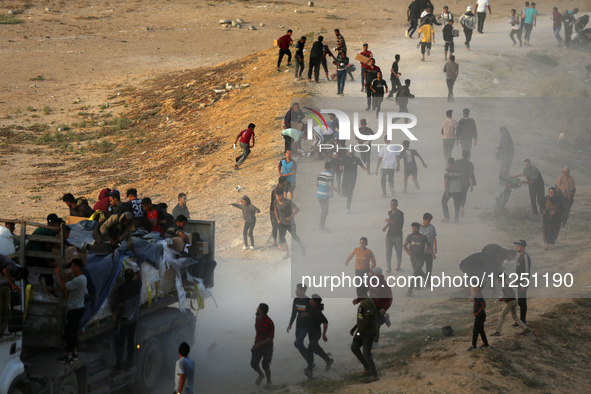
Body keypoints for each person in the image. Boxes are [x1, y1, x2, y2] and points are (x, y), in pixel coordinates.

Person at [55, 258, 87, 363]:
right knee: (73, 332)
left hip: (74, 309)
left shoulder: (78, 280)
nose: (71, 268)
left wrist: (57, 273)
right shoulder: (82, 278)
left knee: (69, 333)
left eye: (73, 266)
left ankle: (69, 356)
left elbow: (63, 286)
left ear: (77, 267)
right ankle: (75, 353)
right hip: (79, 308)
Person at [114, 268, 141, 371]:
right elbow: (139, 276)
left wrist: (113, 309)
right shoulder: (137, 284)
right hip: (134, 318)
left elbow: (120, 304)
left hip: (125, 320)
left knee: (120, 343)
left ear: (124, 277)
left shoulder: (123, 288)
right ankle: (130, 362)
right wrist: (137, 272)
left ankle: (118, 366)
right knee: (131, 340)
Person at [350, 287, 379, 383]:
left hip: (368, 332)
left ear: (363, 291)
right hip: (362, 330)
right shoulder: (362, 302)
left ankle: (374, 375)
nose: (357, 292)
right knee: (354, 347)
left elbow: (369, 319)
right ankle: (367, 368)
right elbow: (362, 317)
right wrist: (355, 328)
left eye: (358, 290)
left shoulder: (367, 302)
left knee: (367, 353)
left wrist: (359, 332)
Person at [490, 271, 530, 336]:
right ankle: (525, 328)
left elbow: (508, 295)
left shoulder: (504, 285)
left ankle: (497, 331)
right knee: (515, 317)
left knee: (502, 315)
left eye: (498, 278)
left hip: (510, 302)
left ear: (500, 278)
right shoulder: (506, 284)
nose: (497, 280)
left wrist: (502, 299)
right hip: (514, 301)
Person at [304, 294, 334, 378]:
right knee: (316, 349)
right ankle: (328, 360)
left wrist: (324, 334)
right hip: (311, 333)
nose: (310, 300)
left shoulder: (317, 311)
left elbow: (325, 322)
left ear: (315, 302)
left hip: (316, 333)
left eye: (311, 299)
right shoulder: (312, 309)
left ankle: (309, 369)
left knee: (310, 350)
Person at [404, 222, 435, 296]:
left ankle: (409, 291)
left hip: (421, 258)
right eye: (412, 228)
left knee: (415, 273)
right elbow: (404, 245)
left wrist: (432, 254)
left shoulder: (423, 237)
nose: (413, 230)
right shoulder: (409, 236)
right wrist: (408, 252)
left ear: (418, 229)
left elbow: (429, 245)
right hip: (412, 258)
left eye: (415, 228)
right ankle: (426, 279)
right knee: (417, 271)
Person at [274, 193, 305, 259]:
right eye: (277, 196)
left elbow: (297, 209)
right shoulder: (275, 201)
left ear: (282, 195)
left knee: (294, 236)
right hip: (282, 223)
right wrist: (278, 219)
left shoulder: (288, 202)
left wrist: (291, 217)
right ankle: (288, 252)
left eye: (279, 196)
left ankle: (302, 247)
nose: (278, 197)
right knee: (282, 238)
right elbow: (275, 209)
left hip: (290, 223)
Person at [287, 284, 311, 368]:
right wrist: (290, 324)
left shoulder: (308, 301)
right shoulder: (296, 300)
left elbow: (313, 313)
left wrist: (307, 314)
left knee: (297, 343)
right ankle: (310, 363)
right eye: (296, 289)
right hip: (298, 326)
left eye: (298, 290)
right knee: (299, 345)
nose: (296, 291)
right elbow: (294, 313)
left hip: (306, 326)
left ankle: (310, 356)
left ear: (303, 291)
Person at [367, 268, 392, 347]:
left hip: (380, 307)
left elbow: (390, 298)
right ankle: (385, 319)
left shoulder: (384, 284)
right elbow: (364, 290)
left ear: (378, 274)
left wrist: (384, 308)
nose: (372, 274)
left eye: (373, 273)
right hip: (371, 306)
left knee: (376, 324)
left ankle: (375, 342)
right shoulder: (369, 281)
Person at [252, 303, 274, 387]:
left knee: (266, 365)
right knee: (253, 363)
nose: (257, 309)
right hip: (258, 344)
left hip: (267, 346)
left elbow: (270, 338)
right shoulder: (257, 318)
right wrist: (257, 344)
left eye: (258, 308)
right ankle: (261, 375)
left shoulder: (269, 322)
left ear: (262, 311)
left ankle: (269, 382)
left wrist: (258, 344)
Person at [317, 162, 340, 233]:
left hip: (319, 195)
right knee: (325, 211)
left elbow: (316, 184)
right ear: (331, 168)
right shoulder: (330, 175)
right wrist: (335, 192)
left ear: (324, 167)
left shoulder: (320, 174)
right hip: (324, 196)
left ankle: (321, 225)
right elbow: (331, 186)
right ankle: (321, 227)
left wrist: (320, 189)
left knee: (324, 211)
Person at [382, 199, 404, 273]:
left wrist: (389, 221)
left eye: (393, 204)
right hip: (389, 235)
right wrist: (386, 226)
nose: (392, 205)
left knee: (398, 251)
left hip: (398, 235)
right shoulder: (389, 212)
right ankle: (389, 268)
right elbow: (391, 221)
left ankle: (398, 266)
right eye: (391, 203)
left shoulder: (400, 213)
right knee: (388, 252)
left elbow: (399, 224)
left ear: (397, 205)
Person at [514, 239, 531, 325]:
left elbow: (527, 272)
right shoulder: (520, 256)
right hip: (519, 282)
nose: (516, 247)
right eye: (516, 246)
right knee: (520, 302)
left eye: (518, 246)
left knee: (522, 302)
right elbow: (519, 271)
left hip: (523, 283)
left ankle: (522, 321)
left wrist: (524, 284)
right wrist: (516, 281)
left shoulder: (525, 257)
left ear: (523, 247)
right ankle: (520, 320)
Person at [441, 157, 463, 223]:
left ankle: (447, 217)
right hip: (458, 190)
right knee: (456, 205)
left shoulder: (447, 170)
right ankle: (456, 220)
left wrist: (446, 191)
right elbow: (462, 181)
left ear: (448, 163)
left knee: (443, 201)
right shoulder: (459, 170)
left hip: (450, 190)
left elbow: (446, 181)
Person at [455, 150, 476, 217]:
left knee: (458, 195)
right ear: (468, 156)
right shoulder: (470, 164)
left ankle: (458, 207)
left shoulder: (456, 162)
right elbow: (470, 175)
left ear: (462, 155)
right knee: (464, 195)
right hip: (466, 182)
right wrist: (471, 185)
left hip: (457, 181)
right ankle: (461, 207)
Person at [468, 286, 489, 351]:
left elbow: (483, 305)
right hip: (481, 315)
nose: (473, 288)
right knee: (481, 331)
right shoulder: (477, 295)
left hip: (480, 316)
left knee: (475, 331)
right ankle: (486, 344)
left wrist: (477, 312)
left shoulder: (479, 295)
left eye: (474, 287)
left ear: (478, 288)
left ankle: (474, 346)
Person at [419, 213, 437, 287]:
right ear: (424, 220)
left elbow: (434, 237)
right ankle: (418, 283)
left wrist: (435, 247)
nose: (429, 223)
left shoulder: (431, 227)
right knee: (418, 268)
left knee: (429, 267)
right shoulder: (418, 228)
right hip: (420, 252)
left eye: (430, 221)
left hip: (429, 251)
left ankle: (428, 282)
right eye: (428, 221)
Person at [268, 177, 286, 247]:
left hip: (279, 210)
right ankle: (275, 241)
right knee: (275, 226)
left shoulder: (281, 189)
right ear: (283, 182)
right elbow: (276, 203)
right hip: (274, 210)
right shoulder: (276, 191)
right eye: (285, 182)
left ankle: (278, 242)